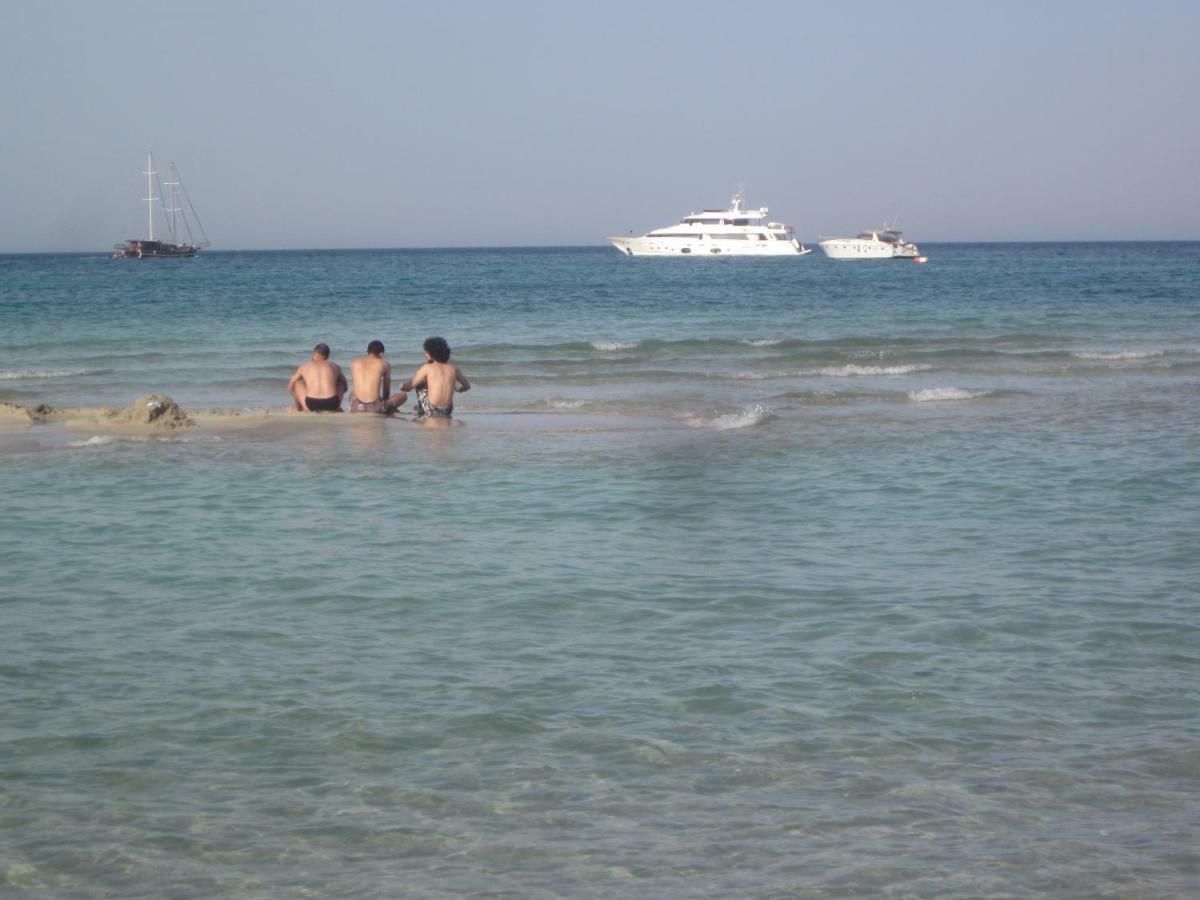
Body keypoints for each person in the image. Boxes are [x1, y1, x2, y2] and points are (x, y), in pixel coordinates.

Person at [400, 336, 470, 419]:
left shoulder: (427, 367)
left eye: (427, 352)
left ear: (433, 353)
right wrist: (459, 389)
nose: (425, 354)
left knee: (419, 385)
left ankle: (422, 409)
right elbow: (467, 386)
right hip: (447, 410)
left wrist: (403, 386)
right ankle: (424, 407)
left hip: (432, 409)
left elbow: (410, 387)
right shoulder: (454, 369)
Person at [348, 340, 407, 414]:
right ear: (381, 353)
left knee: (352, 393)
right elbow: (386, 391)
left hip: (356, 407)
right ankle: (388, 411)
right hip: (375, 408)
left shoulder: (354, 363)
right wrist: (384, 401)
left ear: (368, 352)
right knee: (403, 395)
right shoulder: (384, 364)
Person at [287, 343, 347, 412]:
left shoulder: (305, 366)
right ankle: (338, 408)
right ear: (328, 355)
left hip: (311, 405)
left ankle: (299, 409)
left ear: (315, 353)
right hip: (332, 405)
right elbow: (345, 386)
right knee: (340, 384)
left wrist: (298, 397)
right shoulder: (335, 366)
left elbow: (290, 386)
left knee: (297, 383)